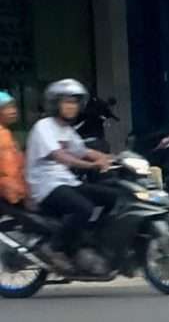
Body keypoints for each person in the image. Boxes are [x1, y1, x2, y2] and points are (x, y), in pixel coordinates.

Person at [25, 80, 116, 268]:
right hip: (46, 185)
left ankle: (87, 238)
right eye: (66, 102)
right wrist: (90, 166)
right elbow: (61, 157)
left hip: (67, 182)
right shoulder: (44, 127)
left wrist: (116, 158)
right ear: (55, 104)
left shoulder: (67, 130)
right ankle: (55, 247)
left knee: (114, 197)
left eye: (74, 102)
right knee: (84, 208)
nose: (71, 107)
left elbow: (85, 151)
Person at [0, 91, 27, 206]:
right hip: (9, 196)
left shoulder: (6, 133)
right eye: (6, 108)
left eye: (13, 107)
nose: (13, 111)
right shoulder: (2, 135)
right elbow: (7, 171)